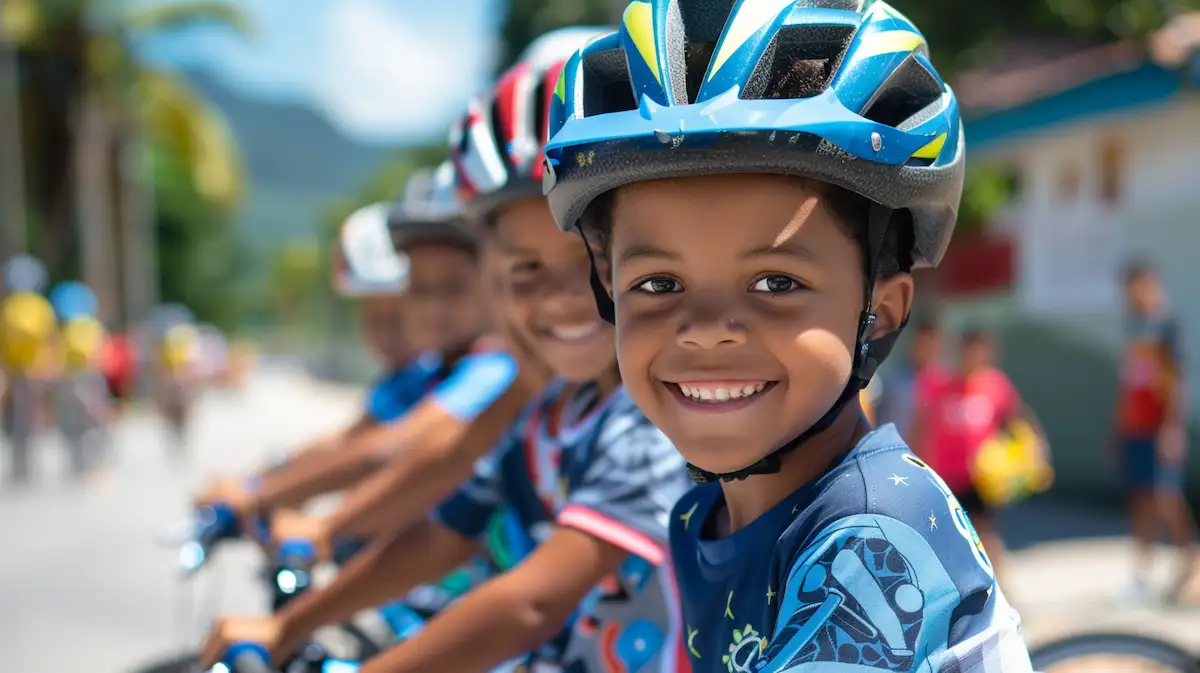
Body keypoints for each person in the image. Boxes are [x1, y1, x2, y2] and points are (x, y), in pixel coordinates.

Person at [542, 2, 1034, 671]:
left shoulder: (875, 533)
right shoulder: (702, 517)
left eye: (775, 282)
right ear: (608, 288)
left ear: (881, 310)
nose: (708, 331)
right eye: (658, 284)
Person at [201, 28, 692, 673]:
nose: (561, 298)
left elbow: (529, 605)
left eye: (591, 261)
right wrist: (289, 624)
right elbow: (444, 530)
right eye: (524, 271)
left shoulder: (654, 415)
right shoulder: (548, 408)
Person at [916, 328, 1044, 587]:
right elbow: (922, 427)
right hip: (946, 475)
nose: (971, 357)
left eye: (978, 351)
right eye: (967, 350)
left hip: (981, 477)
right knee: (947, 535)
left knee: (985, 533)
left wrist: (1035, 448)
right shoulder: (939, 386)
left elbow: (1018, 418)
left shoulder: (995, 385)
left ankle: (998, 588)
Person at [1116, 261, 1197, 601]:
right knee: (1141, 500)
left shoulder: (1166, 327)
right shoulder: (1133, 326)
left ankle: (1188, 557)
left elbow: (1177, 382)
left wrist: (1172, 428)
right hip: (1134, 427)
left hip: (1158, 429)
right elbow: (1128, 383)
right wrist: (1116, 428)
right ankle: (1142, 574)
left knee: (1166, 498)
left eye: (1140, 285)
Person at [0, 288, 57, 482]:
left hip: (14, 372)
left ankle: (19, 464)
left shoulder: (8, 308)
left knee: (15, 419)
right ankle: (32, 460)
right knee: (34, 417)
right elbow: (51, 340)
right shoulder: (42, 307)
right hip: (36, 370)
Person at [877, 318, 946, 439]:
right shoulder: (895, 380)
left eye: (929, 343)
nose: (925, 349)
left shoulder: (942, 384)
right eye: (922, 343)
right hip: (894, 448)